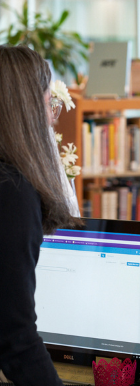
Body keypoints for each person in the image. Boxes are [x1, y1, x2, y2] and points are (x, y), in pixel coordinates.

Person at [0, 45, 83, 385]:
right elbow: (15, 341)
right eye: (49, 104)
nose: (52, 117)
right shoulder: (12, 193)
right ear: (26, 109)